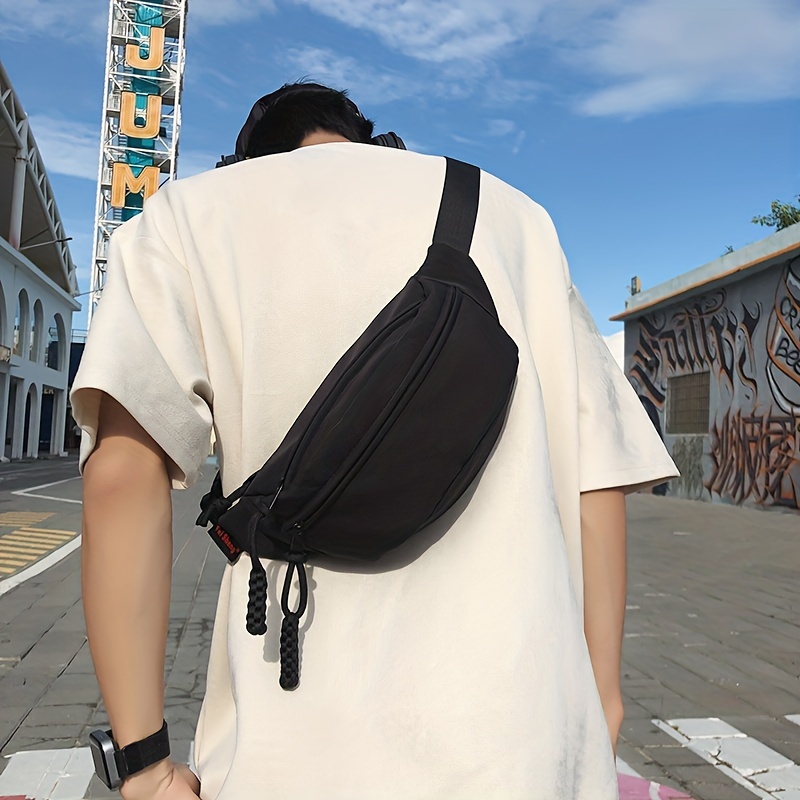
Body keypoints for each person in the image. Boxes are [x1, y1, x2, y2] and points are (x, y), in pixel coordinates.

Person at [72, 82, 678, 800]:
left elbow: (121, 474)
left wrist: (146, 769)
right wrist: (602, 699)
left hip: (291, 760)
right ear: (367, 137)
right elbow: (597, 473)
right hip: (524, 747)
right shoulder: (515, 218)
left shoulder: (187, 217)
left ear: (249, 158)